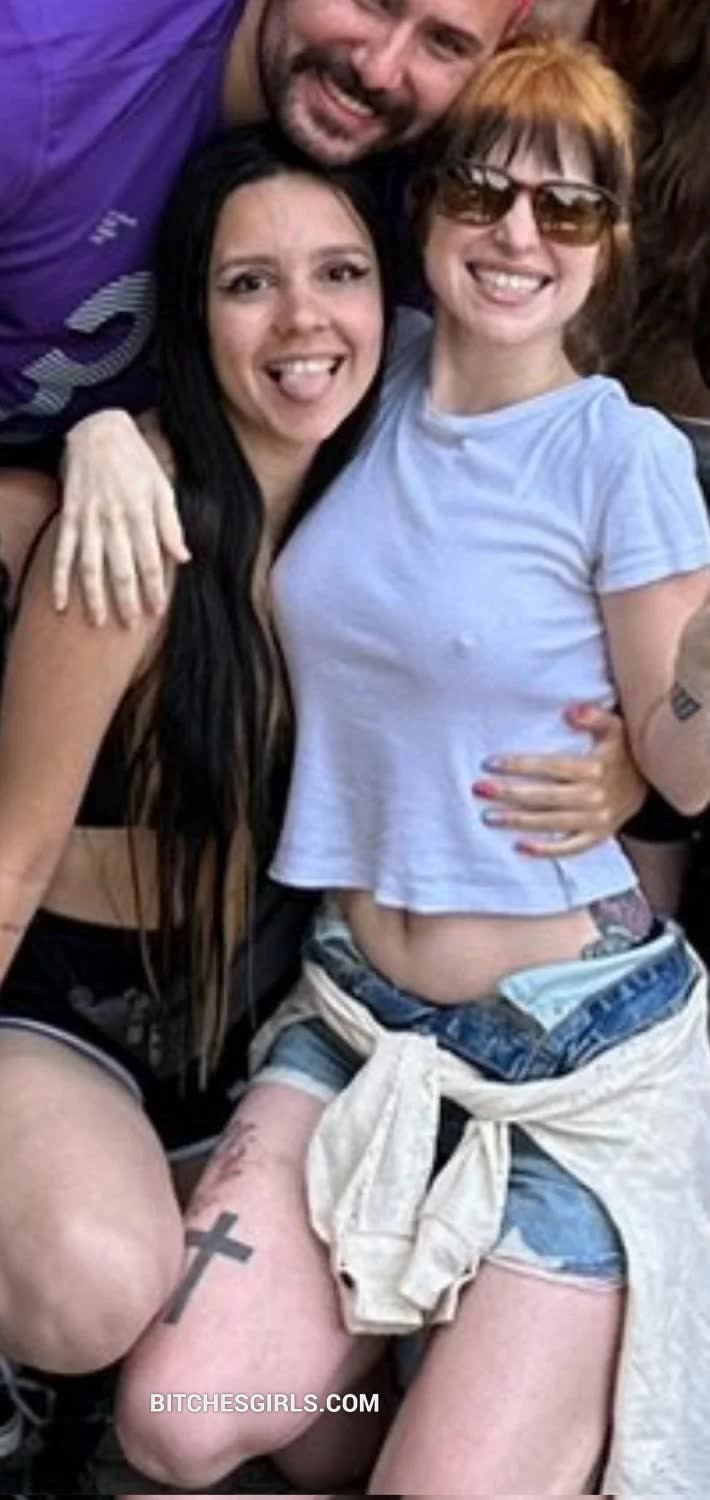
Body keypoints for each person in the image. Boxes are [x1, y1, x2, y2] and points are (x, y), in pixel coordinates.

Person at [112, 37, 710, 1497]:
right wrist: (99, 445)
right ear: (427, 206)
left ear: (608, 242)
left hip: (570, 1051)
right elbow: (211, 428)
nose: (518, 235)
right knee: (181, 1415)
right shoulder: (363, 374)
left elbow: (688, 769)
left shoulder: (620, 455)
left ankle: (489, 1398)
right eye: (483, 192)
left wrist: (664, 726)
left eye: (567, 208)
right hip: (357, 1020)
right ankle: (431, 1376)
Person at [0, 122, 393, 1469]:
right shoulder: (132, 531)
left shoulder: (392, 509)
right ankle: (47, 1373)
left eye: (340, 273)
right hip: (70, 1023)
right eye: (248, 283)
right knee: (92, 1282)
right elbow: (11, 856)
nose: (303, 319)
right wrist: (97, 432)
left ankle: (120, 1407)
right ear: (192, 313)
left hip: (262, 1047)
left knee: (330, 1439)